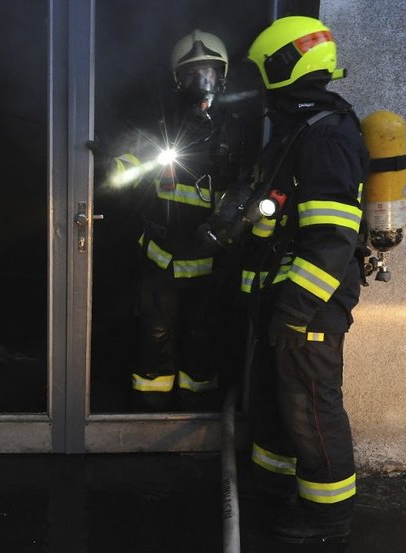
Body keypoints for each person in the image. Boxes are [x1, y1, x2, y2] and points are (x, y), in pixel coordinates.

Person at [241, 16, 369, 542]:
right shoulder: (301, 129)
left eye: (263, 69)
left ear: (285, 65)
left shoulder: (326, 138)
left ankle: (327, 518)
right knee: (278, 400)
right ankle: (273, 490)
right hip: (287, 299)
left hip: (311, 306)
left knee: (312, 407)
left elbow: (332, 240)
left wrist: (294, 312)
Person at [106, 29, 244, 411]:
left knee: (203, 336)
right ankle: (150, 411)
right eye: (192, 72)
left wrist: (224, 227)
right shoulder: (162, 123)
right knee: (155, 335)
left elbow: (244, 184)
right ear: (177, 79)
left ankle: (196, 410)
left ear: (223, 75)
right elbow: (132, 165)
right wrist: (108, 164)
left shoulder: (233, 127)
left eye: (210, 71)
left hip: (209, 254)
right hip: (161, 255)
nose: (202, 81)